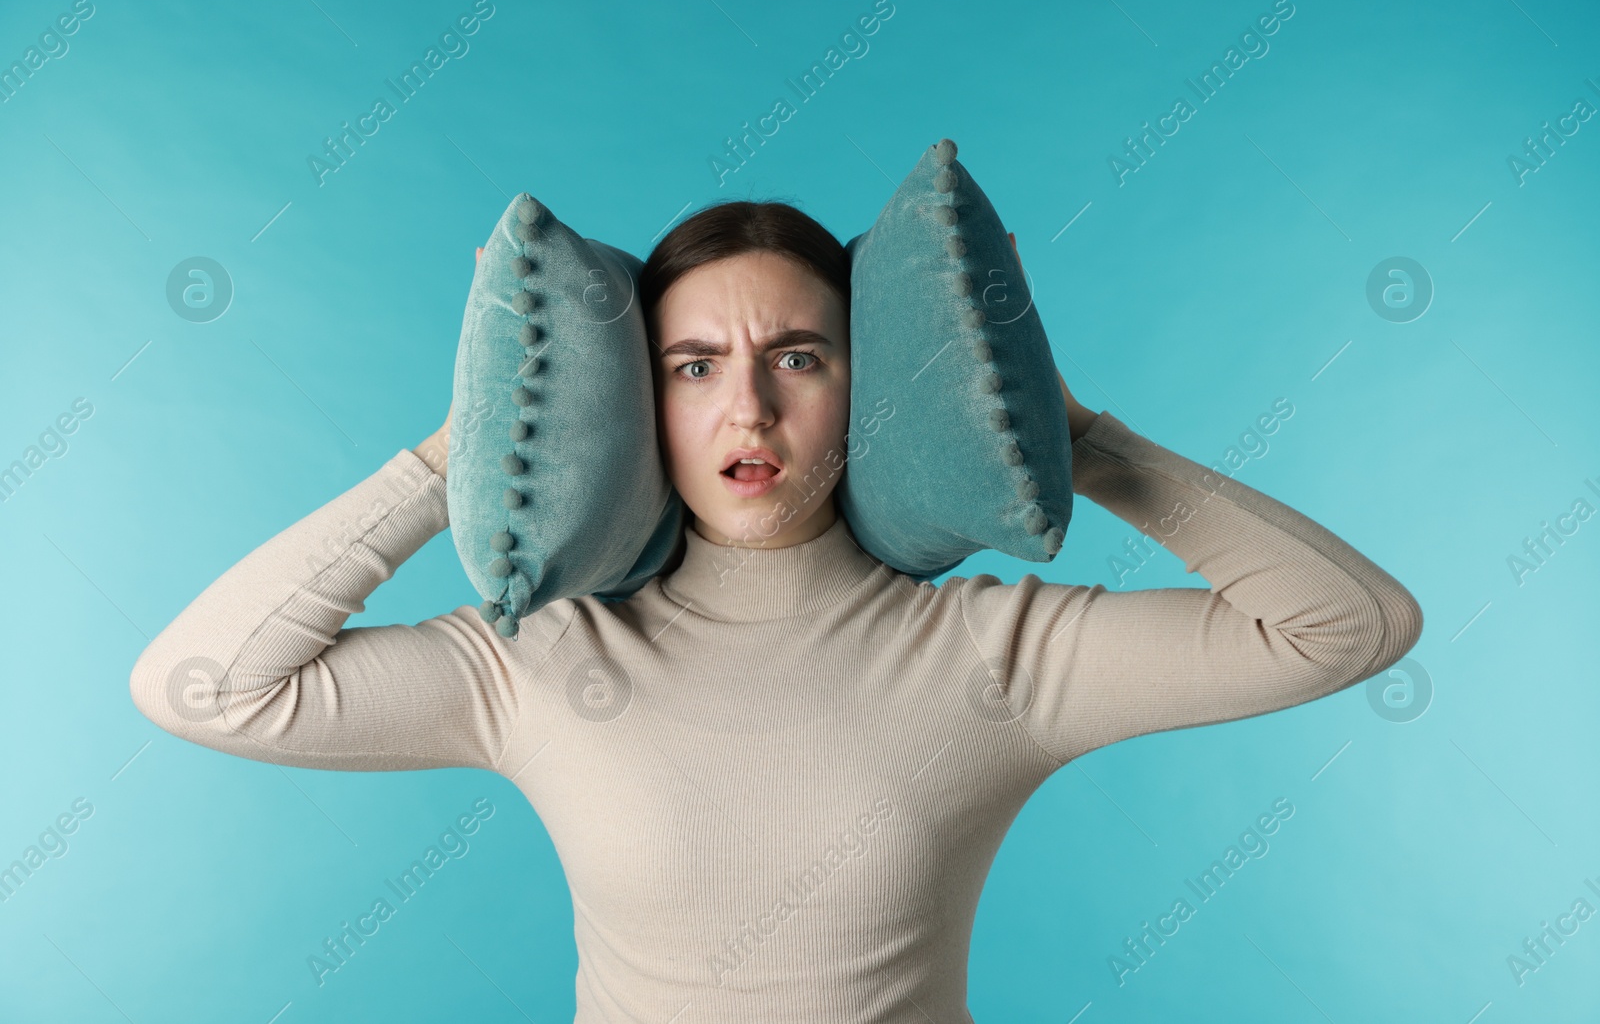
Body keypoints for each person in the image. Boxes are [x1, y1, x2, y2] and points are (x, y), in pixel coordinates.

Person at [129, 200, 1423, 1023]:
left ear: (870, 390)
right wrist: (455, 454)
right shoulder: (541, 662)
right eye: (694, 369)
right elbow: (203, 685)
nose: (748, 411)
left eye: (798, 358)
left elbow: (1350, 626)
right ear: (643, 404)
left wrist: (1065, 430)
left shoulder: (994, 655)